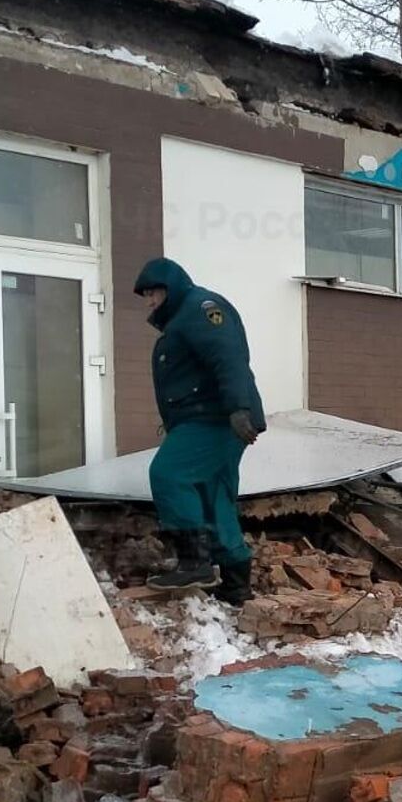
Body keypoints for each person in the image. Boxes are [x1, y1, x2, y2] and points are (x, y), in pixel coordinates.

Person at [133, 257, 266, 605]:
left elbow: (228, 356)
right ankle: (236, 583)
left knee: (169, 474)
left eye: (153, 293)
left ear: (170, 287)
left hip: (215, 418)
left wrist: (239, 408)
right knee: (214, 496)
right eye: (145, 296)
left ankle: (195, 562)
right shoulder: (182, 318)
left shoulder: (201, 308)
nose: (149, 302)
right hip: (214, 418)